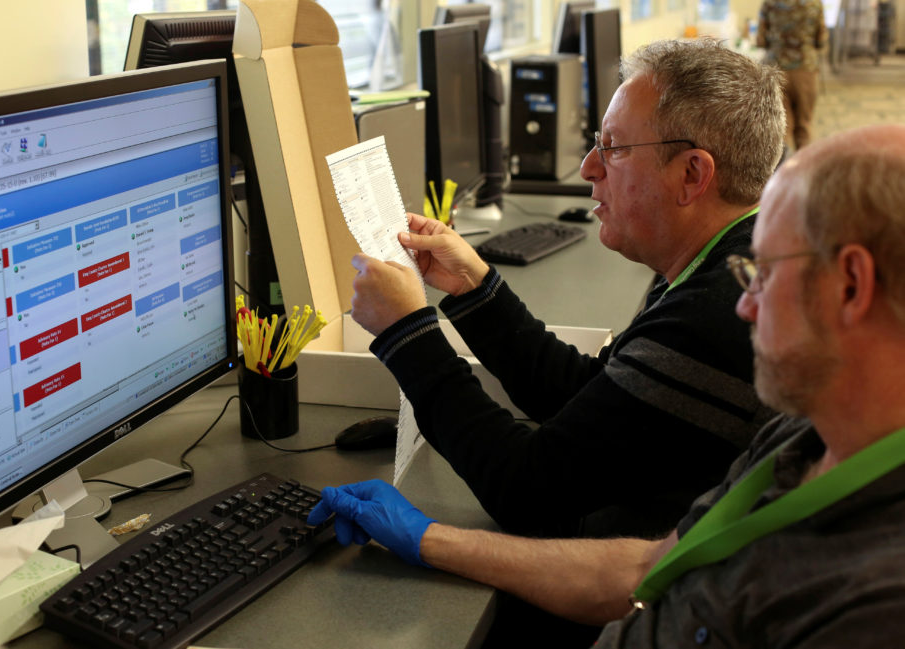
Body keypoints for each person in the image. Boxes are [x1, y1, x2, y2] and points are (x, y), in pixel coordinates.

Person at [310, 123, 905, 646]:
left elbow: (532, 487)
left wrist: (411, 334)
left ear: (851, 284)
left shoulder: (873, 601)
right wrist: (431, 539)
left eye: (762, 274)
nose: (745, 308)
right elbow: (646, 563)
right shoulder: (802, 437)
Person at [347, 38, 783, 646]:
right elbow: (589, 396)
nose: (588, 168)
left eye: (613, 148)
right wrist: (474, 286)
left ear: (692, 174)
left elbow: (530, 490)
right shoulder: (729, 257)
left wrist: (406, 335)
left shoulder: (717, 314)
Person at [757, 0, 827, 151]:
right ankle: (802, 171)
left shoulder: (770, 3)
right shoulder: (815, 3)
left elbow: (760, 40)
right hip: (805, 70)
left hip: (774, 70)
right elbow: (821, 40)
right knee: (804, 126)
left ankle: (780, 171)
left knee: (779, 129)